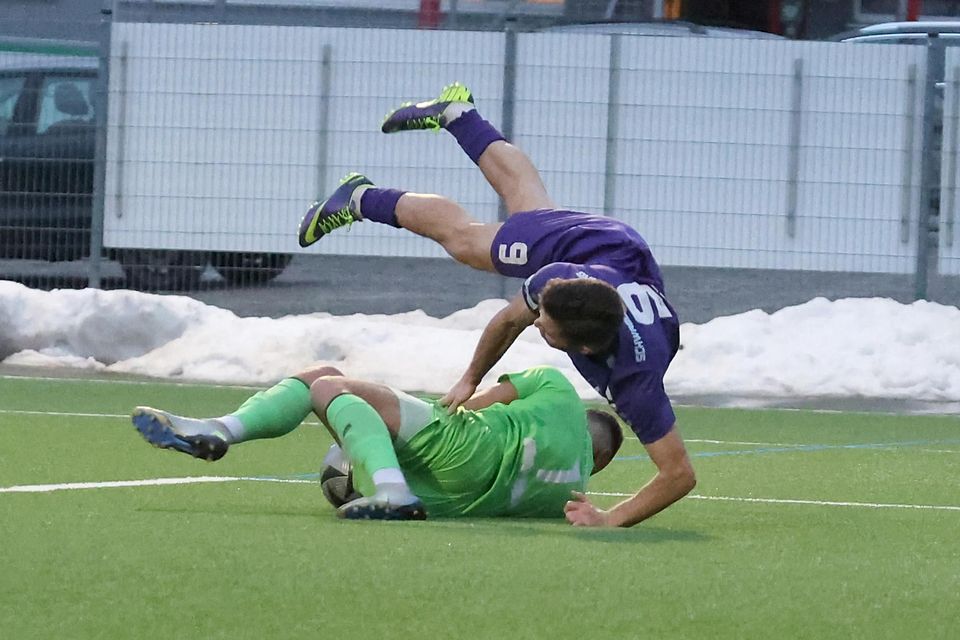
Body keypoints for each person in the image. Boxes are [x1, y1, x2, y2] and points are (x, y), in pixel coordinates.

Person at [297, 83, 696, 528]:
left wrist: (609, 518)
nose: (536, 320)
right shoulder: (555, 282)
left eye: (546, 325)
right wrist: (471, 379)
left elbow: (679, 475)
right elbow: (509, 321)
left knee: (529, 203)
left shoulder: (634, 384)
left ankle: (460, 115)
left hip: (623, 260)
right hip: (599, 251)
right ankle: (358, 199)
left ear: (584, 350)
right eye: (540, 311)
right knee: (466, 241)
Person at [132, 364, 623, 521]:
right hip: (454, 499)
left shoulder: (557, 387)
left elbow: (471, 405)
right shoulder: (567, 496)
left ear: (585, 419)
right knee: (340, 399)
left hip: (465, 444)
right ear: (597, 461)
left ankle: (222, 429)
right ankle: (390, 487)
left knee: (325, 382)